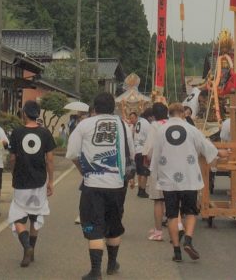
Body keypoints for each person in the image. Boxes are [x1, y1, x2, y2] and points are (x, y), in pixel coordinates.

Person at [67, 91, 134, 280]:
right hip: (117, 184)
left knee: (95, 226)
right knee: (113, 224)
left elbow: (72, 153)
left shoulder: (84, 124)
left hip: (92, 184)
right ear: (113, 108)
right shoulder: (123, 125)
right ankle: (112, 265)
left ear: (94, 108)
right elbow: (131, 152)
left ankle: (95, 271)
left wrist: (82, 170)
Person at [156, 102, 220, 262]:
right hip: (189, 178)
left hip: (169, 178)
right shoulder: (192, 130)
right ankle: (188, 240)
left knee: (171, 215)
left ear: (169, 114)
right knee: (190, 212)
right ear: (183, 114)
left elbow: (155, 156)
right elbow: (207, 147)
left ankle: (176, 252)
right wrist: (220, 153)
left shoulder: (161, 130)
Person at [9, 101, 56, 267]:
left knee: (18, 217)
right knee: (35, 216)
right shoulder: (45, 133)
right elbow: (49, 159)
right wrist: (51, 181)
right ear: (38, 114)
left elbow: (13, 157)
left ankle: (26, 246)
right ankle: (31, 251)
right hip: (39, 181)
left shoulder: (16, 132)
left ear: (24, 114)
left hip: (21, 180)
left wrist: (13, 172)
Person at [143, 101, 169, 242]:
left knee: (158, 199)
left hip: (159, 166)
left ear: (153, 114)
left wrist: (147, 159)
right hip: (174, 166)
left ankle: (158, 231)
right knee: (172, 199)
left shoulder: (155, 126)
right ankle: (176, 227)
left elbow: (149, 149)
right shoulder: (172, 124)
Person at [131, 111, 151, 197]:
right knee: (144, 172)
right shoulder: (145, 122)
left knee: (139, 172)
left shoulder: (138, 123)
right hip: (143, 150)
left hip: (136, 150)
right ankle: (142, 190)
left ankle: (140, 189)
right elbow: (149, 135)